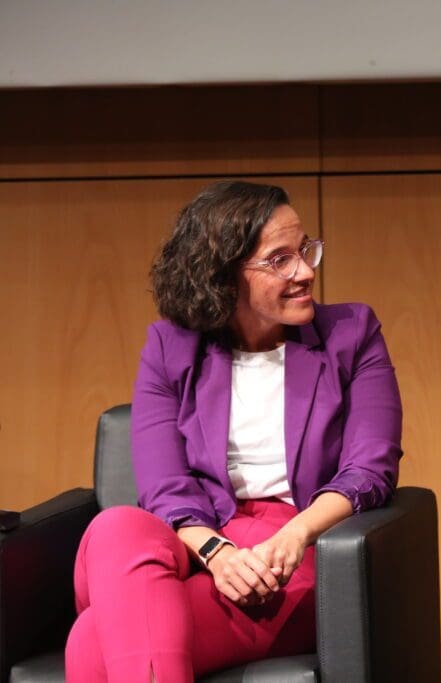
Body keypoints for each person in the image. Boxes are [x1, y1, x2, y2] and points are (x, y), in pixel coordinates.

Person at [65, 181, 402, 681]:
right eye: (279, 259)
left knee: (95, 641)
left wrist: (294, 536)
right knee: (117, 528)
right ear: (223, 276)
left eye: (306, 250)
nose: (305, 271)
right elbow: (164, 487)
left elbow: (370, 469)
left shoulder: (351, 334)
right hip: (195, 539)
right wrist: (217, 554)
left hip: (291, 556)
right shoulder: (168, 348)